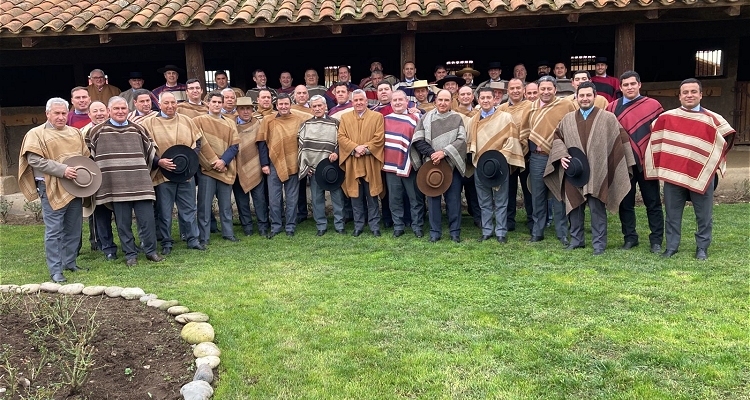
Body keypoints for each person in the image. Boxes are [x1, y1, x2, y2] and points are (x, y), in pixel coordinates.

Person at [644, 78, 735, 260]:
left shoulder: (713, 120)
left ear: (701, 95)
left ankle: (702, 248)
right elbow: (656, 139)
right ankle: (671, 247)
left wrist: (712, 161)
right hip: (673, 173)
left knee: (704, 215)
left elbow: (726, 140)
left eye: (693, 92)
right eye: (685, 92)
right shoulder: (666, 118)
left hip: (701, 175)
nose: (689, 95)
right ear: (679, 96)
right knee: (672, 213)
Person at [543, 82, 635, 255]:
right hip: (575, 171)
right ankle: (577, 240)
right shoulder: (568, 119)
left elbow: (620, 141)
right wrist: (562, 155)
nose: (584, 98)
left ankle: (599, 244)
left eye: (588, 95)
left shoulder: (608, 118)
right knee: (574, 206)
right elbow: (557, 138)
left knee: (596, 208)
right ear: (576, 97)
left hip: (598, 170)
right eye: (581, 95)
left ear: (595, 96)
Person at [87, 96, 166, 266]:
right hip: (116, 186)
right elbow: (90, 156)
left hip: (140, 183)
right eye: (116, 109)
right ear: (109, 111)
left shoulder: (138, 129)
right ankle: (130, 255)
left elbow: (150, 152)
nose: (120, 111)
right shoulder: (96, 131)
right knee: (123, 223)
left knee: (147, 221)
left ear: (128, 110)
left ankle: (151, 252)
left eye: (123, 108)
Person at [18, 97, 91, 283]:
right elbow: (34, 160)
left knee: (74, 228)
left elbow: (84, 157)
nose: (60, 117)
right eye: (56, 113)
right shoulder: (36, 134)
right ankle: (55, 270)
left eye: (63, 113)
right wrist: (62, 170)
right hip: (49, 186)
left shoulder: (75, 133)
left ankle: (70, 262)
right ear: (47, 114)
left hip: (74, 186)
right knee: (54, 230)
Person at [606, 71, 665, 253]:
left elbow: (661, 132)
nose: (629, 87)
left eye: (633, 84)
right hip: (623, 162)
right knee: (626, 202)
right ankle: (630, 237)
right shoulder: (612, 108)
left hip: (647, 161)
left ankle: (656, 240)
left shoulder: (653, 105)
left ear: (639, 84)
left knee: (653, 202)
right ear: (620, 87)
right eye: (626, 85)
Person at [140, 92, 207, 253]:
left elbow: (197, 141)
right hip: (163, 174)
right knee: (164, 211)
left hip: (185, 174)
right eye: (166, 103)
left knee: (189, 209)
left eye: (173, 103)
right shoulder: (149, 123)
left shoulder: (186, 121)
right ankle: (166, 242)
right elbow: (145, 147)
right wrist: (158, 161)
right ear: (160, 104)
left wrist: (190, 158)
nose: (170, 106)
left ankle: (192, 239)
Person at [520, 76, 576, 245]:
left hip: (558, 156)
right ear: (538, 91)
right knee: (538, 195)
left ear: (555, 89)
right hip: (537, 157)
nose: (545, 92)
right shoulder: (531, 107)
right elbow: (525, 130)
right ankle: (538, 231)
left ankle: (562, 233)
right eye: (542, 89)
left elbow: (571, 128)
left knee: (559, 194)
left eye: (548, 89)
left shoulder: (565, 105)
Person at [467, 87, 525, 243]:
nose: (485, 100)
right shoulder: (474, 120)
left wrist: (499, 159)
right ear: (478, 100)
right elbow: (471, 142)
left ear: (495, 99)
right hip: (480, 165)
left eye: (488, 98)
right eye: (482, 98)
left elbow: (511, 141)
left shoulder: (506, 117)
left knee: (501, 201)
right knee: (484, 201)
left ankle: (501, 232)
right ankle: (486, 231)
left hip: (499, 166)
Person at [411, 89, 467, 243]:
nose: (443, 103)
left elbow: (461, 140)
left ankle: (455, 232)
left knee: (453, 200)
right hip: (431, 166)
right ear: (435, 100)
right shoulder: (425, 118)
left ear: (451, 102)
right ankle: (435, 232)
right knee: (433, 200)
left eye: (446, 100)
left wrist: (444, 153)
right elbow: (418, 140)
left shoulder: (457, 119)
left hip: (451, 164)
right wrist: (432, 154)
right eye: (440, 100)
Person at [257, 94, 306, 238]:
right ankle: (276, 226)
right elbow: (262, 142)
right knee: (274, 198)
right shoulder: (268, 120)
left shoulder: (299, 120)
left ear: (290, 105)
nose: (283, 107)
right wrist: (264, 163)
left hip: (293, 163)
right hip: (273, 163)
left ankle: (290, 226)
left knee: (292, 197)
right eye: (280, 104)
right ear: (276, 105)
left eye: (286, 104)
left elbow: (303, 142)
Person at [338, 89, 385, 237]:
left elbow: (379, 138)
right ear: (352, 102)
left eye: (361, 100)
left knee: (372, 195)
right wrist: (354, 148)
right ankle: (358, 226)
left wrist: (365, 149)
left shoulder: (377, 117)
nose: (358, 103)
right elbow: (341, 137)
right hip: (353, 162)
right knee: (355, 196)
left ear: (366, 101)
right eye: (355, 100)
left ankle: (374, 226)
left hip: (370, 161)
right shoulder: (345, 118)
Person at [194, 92, 241, 243]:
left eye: (219, 102)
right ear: (208, 103)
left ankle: (228, 233)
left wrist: (223, 162)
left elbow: (234, 146)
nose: (216, 104)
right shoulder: (198, 121)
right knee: (205, 206)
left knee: (226, 205)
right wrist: (214, 162)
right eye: (213, 102)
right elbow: (198, 143)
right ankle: (204, 236)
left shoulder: (229, 122)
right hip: (207, 170)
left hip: (225, 167)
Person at [298, 95, 346, 235]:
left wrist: (336, 152)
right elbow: (302, 147)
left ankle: (339, 225)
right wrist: (306, 166)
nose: (317, 108)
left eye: (320, 106)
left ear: (325, 107)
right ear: (311, 108)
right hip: (314, 169)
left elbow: (341, 141)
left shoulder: (335, 123)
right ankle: (321, 226)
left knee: (337, 198)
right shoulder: (306, 125)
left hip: (332, 168)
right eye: (314, 106)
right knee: (317, 199)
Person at [383, 90, 424, 238]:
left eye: (401, 100)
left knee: (415, 198)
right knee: (394, 199)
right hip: (390, 165)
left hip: (410, 164)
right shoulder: (385, 120)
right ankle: (398, 226)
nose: (398, 102)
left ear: (407, 102)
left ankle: (417, 226)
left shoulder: (416, 118)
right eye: (395, 100)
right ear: (391, 103)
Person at [81, 101, 117, 259]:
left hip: (117, 178)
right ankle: (106, 246)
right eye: (95, 111)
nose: (99, 114)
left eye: (102, 110)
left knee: (122, 214)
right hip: (97, 179)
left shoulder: (117, 127)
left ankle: (128, 242)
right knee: (101, 214)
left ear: (108, 112)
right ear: (89, 114)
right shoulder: (83, 132)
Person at [497, 78, 533, 232]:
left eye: (518, 88)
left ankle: (533, 221)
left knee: (529, 190)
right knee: (508, 190)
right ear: (508, 91)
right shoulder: (501, 109)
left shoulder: (531, 106)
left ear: (523, 90)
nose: (515, 91)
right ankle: (509, 220)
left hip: (528, 155)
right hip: (509, 156)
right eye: (512, 88)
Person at [232, 97, 269, 237]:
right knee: (242, 201)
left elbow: (263, 146)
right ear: (237, 110)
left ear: (252, 110)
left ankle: (263, 227)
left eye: (248, 108)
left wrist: (264, 164)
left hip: (256, 166)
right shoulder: (231, 125)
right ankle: (247, 227)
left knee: (260, 200)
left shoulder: (259, 124)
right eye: (242, 108)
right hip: (237, 168)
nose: (246, 111)